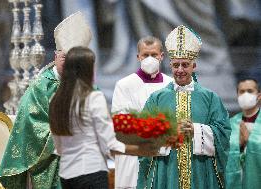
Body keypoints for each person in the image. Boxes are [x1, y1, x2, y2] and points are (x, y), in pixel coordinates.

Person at [0, 12, 92, 189]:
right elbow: (30, 124)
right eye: (65, 58)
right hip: (52, 161)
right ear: (56, 56)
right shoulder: (41, 86)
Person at [137, 25, 231, 189]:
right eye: (176, 65)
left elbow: (223, 134)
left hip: (200, 171)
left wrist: (197, 130)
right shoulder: (157, 98)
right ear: (170, 65)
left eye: (185, 65)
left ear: (194, 66)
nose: (180, 70)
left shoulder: (210, 98)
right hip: (167, 172)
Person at [49, 46, 157, 189]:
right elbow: (110, 144)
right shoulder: (93, 97)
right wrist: (141, 150)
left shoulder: (56, 100)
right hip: (91, 172)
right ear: (85, 70)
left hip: (66, 174)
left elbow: (59, 147)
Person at [111, 36, 173, 189]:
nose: (150, 59)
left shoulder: (171, 85)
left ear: (161, 56)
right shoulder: (124, 85)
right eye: (145, 55)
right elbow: (121, 124)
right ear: (138, 56)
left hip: (164, 156)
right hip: (134, 158)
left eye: (154, 54)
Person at [226, 79, 261, 189]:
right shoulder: (230, 124)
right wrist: (239, 146)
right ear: (237, 96)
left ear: (259, 96)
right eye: (242, 91)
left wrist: (249, 141)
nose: (245, 94)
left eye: (250, 91)